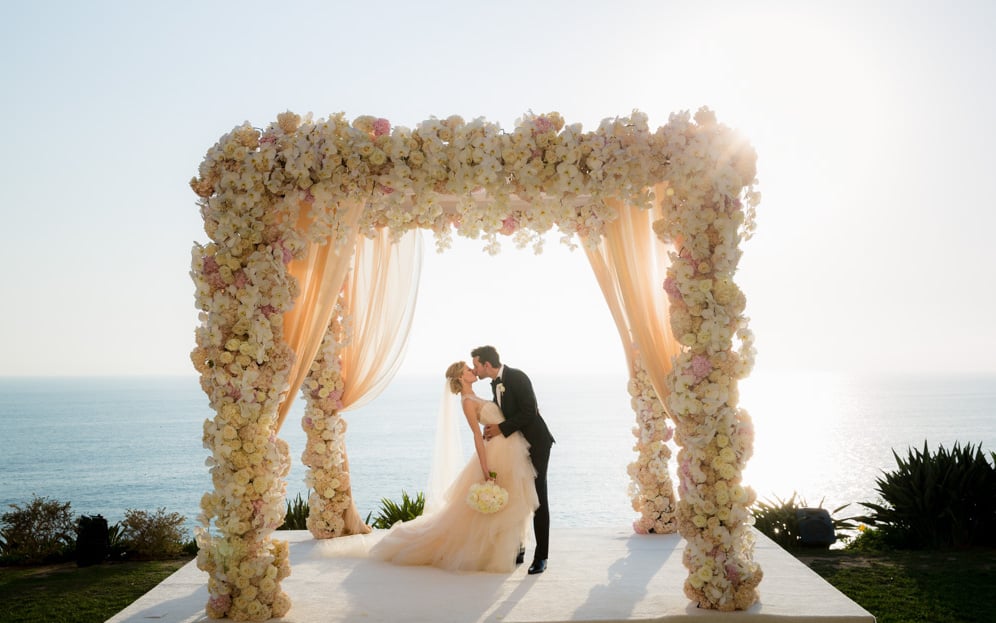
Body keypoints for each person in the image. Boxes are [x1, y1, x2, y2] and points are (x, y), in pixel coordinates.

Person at [369, 361, 539, 573]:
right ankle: (498, 551)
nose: (472, 371)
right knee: (501, 502)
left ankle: (515, 547)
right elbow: (477, 435)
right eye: (468, 370)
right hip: (496, 453)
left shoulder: (478, 394)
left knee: (516, 498)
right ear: (460, 378)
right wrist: (485, 469)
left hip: (512, 448)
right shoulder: (467, 401)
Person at [472, 345, 554, 575]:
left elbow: (530, 412)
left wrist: (500, 429)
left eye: (477, 365)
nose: (475, 369)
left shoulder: (517, 377)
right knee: (518, 495)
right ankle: (519, 547)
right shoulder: (494, 384)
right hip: (517, 446)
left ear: (487, 365)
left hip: (537, 444)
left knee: (538, 497)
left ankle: (542, 557)